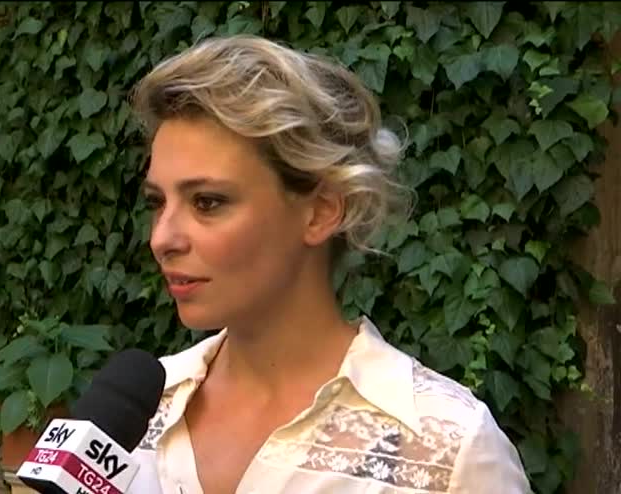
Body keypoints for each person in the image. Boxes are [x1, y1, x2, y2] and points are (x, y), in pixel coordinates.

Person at [126, 35, 530, 493]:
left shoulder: (447, 446)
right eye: (157, 202)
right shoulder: (136, 415)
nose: (161, 239)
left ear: (320, 212)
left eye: (207, 202)